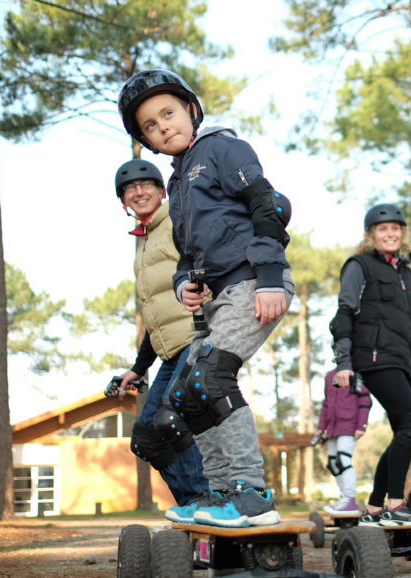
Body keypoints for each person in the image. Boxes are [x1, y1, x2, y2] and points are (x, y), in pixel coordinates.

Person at [118, 69, 295, 527]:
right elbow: (185, 256)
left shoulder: (222, 149)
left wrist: (272, 275)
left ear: (191, 110)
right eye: (151, 127)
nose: (163, 127)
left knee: (213, 377)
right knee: (187, 394)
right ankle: (219, 493)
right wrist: (184, 284)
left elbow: (268, 205)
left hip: (255, 283)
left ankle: (251, 492)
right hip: (221, 296)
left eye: (168, 113)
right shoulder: (176, 187)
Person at [110, 159, 209, 508]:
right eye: (130, 189)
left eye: (145, 185)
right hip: (170, 349)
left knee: (170, 419)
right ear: (124, 201)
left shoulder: (177, 223)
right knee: (146, 438)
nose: (138, 192)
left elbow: (208, 264)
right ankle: (193, 504)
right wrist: (137, 369)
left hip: (198, 339)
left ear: (161, 190)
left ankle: (205, 498)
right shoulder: (145, 245)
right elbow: (158, 321)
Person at [330, 203, 411, 526]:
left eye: (395, 228)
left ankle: (374, 507)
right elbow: (343, 314)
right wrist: (343, 362)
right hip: (374, 359)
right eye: (383, 229)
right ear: (371, 234)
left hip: (406, 362)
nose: (390, 234)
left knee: (407, 432)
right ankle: (395, 502)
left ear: (402, 234)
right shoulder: (359, 266)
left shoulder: (408, 274)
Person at [315, 366, 372, 516]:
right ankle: (343, 498)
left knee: (343, 460)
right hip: (333, 427)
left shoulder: (357, 374)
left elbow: (365, 400)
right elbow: (326, 403)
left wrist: (362, 425)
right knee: (333, 463)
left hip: (349, 425)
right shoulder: (329, 376)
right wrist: (321, 428)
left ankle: (350, 499)